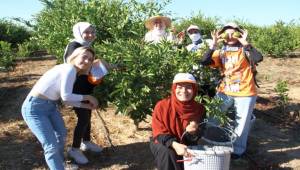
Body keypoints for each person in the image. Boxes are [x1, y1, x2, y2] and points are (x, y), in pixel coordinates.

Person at [21, 47, 98, 170]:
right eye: (84, 56)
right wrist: (89, 97)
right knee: (50, 145)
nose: (87, 61)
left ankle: (61, 163)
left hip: (50, 106)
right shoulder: (69, 69)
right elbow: (66, 96)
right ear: (75, 56)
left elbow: (65, 100)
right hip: (35, 109)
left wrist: (85, 105)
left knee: (61, 134)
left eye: (90, 59)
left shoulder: (71, 70)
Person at [200, 22, 263, 158]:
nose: (229, 36)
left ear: (239, 34)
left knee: (242, 124)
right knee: (213, 118)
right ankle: (212, 143)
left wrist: (245, 43)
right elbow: (204, 61)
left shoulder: (245, 50)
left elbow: (259, 58)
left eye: (233, 32)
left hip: (245, 92)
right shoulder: (220, 51)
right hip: (224, 91)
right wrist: (213, 44)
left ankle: (238, 150)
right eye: (226, 33)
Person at [63, 22, 105, 165]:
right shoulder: (74, 46)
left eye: (92, 32)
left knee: (88, 117)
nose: (90, 35)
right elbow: (75, 65)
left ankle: (86, 142)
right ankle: (74, 149)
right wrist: (98, 65)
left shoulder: (84, 45)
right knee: (83, 119)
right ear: (79, 32)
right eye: (87, 32)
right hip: (76, 90)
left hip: (85, 87)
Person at [150, 73, 206, 170]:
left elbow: (199, 134)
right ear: (174, 89)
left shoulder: (199, 109)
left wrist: (193, 133)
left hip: (186, 143)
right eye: (179, 87)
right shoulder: (162, 106)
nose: (183, 91)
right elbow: (159, 132)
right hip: (163, 141)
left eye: (188, 87)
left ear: (194, 90)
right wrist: (175, 144)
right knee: (168, 153)